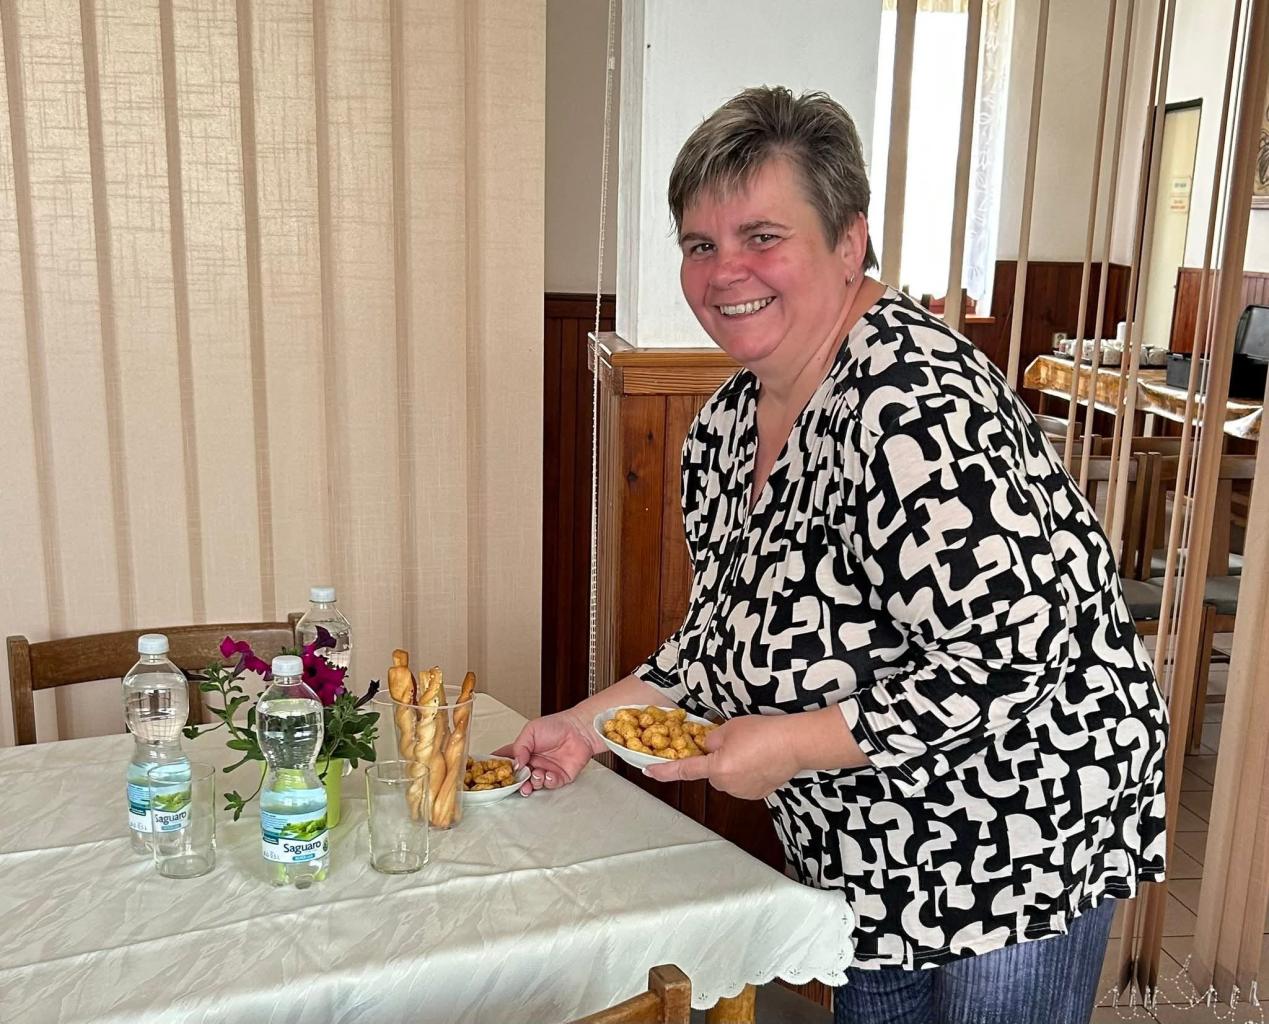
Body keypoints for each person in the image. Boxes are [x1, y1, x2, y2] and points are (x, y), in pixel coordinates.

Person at [503, 86, 1167, 1024]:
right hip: (863, 844)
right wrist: (586, 727)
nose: (725, 272)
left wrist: (787, 744)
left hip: (1018, 825)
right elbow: (719, 643)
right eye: (700, 245)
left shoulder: (917, 407)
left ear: (849, 242)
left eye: (761, 236)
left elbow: (1008, 657)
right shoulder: (726, 427)